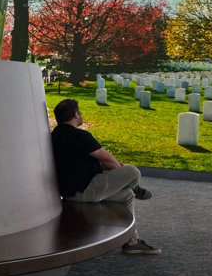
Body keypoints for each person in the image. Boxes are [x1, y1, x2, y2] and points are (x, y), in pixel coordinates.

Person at [50, 98, 162, 256]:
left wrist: (116, 169)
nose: (81, 115)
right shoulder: (79, 135)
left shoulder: (55, 135)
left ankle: (132, 241)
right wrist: (120, 169)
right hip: (86, 189)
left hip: (69, 192)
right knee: (133, 172)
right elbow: (107, 159)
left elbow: (88, 162)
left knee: (127, 195)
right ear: (75, 115)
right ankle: (135, 186)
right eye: (79, 112)